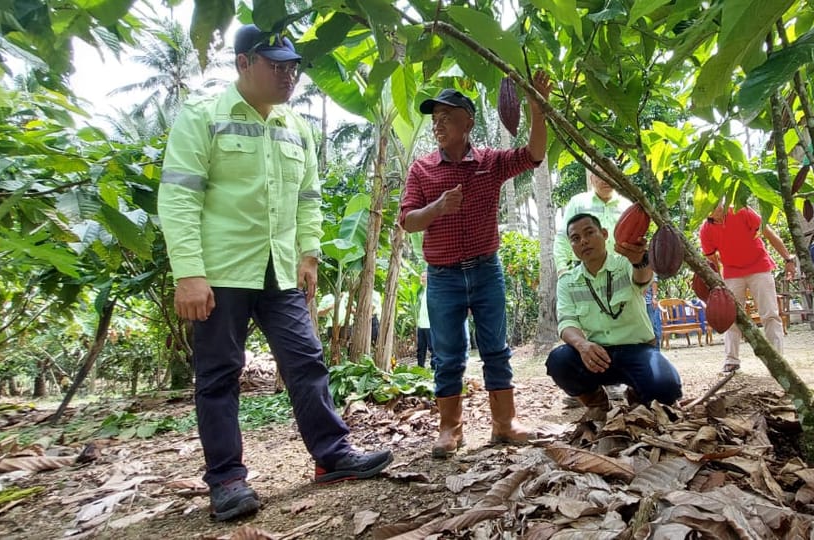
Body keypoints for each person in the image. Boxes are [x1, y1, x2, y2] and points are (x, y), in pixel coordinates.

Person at [158, 25, 392, 522]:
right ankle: (226, 479)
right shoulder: (203, 117)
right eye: (277, 66)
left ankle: (332, 457)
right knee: (219, 375)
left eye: (293, 67)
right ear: (243, 63)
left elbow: (309, 196)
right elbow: (179, 196)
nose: (289, 76)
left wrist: (309, 253)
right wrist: (189, 274)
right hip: (220, 271)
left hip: (280, 268)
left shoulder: (295, 126)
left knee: (306, 361)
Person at [400, 72, 552, 458]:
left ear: (468, 121)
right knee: (448, 354)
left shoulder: (489, 163)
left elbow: (533, 155)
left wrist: (537, 111)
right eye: (434, 119)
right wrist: (437, 208)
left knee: (496, 348)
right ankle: (450, 429)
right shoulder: (422, 170)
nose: (438, 125)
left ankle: (504, 423)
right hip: (443, 277)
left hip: (486, 270)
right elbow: (407, 220)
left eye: (446, 117)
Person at [546, 213, 683, 414]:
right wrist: (583, 346)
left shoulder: (624, 264)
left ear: (604, 234)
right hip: (597, 355)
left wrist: (640, 260)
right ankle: (597, 403)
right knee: (559, 361)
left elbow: (643, 277)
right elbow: (566, 324)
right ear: (572, 246)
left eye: (589, 233)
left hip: (638, 350)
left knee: (667, 388)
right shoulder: (567, 282)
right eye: (575, 238)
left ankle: (637, 394)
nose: (583, 241)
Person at [699, 203, 797, 374]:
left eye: (719, 203)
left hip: (759, 266)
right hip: (731, 273)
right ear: (707, 211)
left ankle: (778, 360)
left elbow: (768, 233)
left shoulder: (740, 210)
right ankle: (731, 360)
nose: (719, 207)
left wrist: (788, 259)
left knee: (770, 314)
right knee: (731, 316)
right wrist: (720, 280)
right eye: (713, 205)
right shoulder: (706, 230)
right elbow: (711, 258)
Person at [553, 172, 631, 276]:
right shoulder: (578, 203)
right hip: (584, 269)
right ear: (591, 178)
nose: (605, 179)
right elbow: (563, 236)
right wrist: (562, 269)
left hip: (620, 269)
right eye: (600, 175)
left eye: (609, 173)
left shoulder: (627, 207)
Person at [416, 272, 433, 368]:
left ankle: (434, 367)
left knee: (432, 348)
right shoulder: (423, 291)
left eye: (424, 277)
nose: (422, 279)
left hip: (430, 324)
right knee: (421, 348)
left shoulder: (432, 290)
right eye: (421, 277)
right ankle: (420, 367)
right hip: (421, 324)